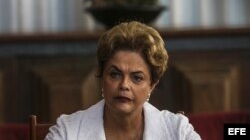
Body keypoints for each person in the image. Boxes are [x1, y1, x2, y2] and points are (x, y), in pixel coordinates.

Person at [45, 21, 201, 140]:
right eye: (115, 74)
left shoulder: (178, 132)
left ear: (152, 85)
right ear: (101, 76)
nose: (124, 85)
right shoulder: (68, 132)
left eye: (137, 78)